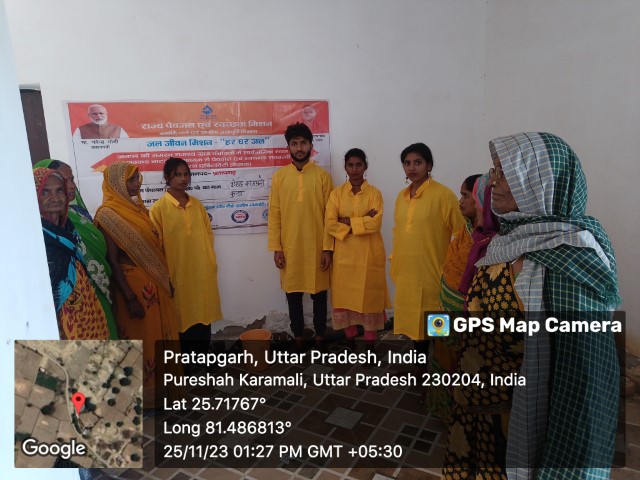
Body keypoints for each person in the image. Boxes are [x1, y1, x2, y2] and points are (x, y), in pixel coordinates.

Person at [443, 133, 620, 480]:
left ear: (540, 183)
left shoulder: (570, 262)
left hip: (517, 419)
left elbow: (583, 382)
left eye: (505, 172)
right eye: (494, 171)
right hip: (477, 404)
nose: (494, 182)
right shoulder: (509, 239)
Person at [94, 162, 180, 405]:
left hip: (154, 286)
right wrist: (130, 298)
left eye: (137, 179)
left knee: (159, 339)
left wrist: (165, 280)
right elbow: (112, 259)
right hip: (133, 291)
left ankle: (162, 394)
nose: (136, 184)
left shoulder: (138, 209)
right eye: (131, 180)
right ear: (116, 184)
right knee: (144, 342)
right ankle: (142, 399)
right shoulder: (107, 215)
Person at [390, 143, 465, 344]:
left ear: (429, 165)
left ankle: (439, 361)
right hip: (406, 274)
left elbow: (462, 233)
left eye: (418, 162)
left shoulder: (443, 195)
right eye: (407, 163)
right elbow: (398, 232)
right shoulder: (401, 197)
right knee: (413, 326)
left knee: (436, 325)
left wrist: (454, 268)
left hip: (433, 273)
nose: (412, 168)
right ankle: (420, 362)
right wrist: (394, 261)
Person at [34, 159, 118, 339]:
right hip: (58, 325)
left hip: (87, 313)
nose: (55, 198)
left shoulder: (69, 227)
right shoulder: (32, 238)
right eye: (45, 192)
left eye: (59, 190)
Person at [268, 122, 333, 346]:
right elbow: (274, 215)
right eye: (294, 143)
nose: (299, 148)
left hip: (317, 246)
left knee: (319, 293)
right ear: (288, 147)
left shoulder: (323, 176)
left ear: (311, 146)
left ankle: (321, 335)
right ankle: (298, 336)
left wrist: (327, 249)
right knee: (293, 293)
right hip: (290, 247)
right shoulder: (280, 177)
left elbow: (330, 216)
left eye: (303, 143)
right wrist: (277, 248)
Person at [150, 157, 223, 356]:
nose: (183, 179)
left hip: (202, 274)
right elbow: (156, 246)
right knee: (181, 319)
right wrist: (165, 277)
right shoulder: (159, 209)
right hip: (177, 275)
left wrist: (210, 265)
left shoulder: (196, 205)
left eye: (186, 174)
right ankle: (185, 361)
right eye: (177, 175)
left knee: (203, 315)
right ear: (167, 178)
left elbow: (208, 237)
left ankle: (202, 356)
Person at [426, 173, 482, 419]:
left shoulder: (486, 241)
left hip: (463, 313)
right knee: (440, 356)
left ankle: (456, 416)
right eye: (460, 195)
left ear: (481, 200)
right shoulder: (465, 232)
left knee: (457, 362)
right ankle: (438, 405)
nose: (460, 201)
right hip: (444, 306)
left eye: (466, 196)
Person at [324, 148, 390, 349]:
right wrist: (362, 220)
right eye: (350, 165)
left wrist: (346, 221)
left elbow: (375, 223)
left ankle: (370, 345)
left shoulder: (375, 193)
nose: (354, 169)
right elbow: (330, 224)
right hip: (343, 257)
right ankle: (350, 340)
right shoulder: (336, 194)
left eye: (358, 165)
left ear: (365, 166)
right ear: (345, 168)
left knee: (369, 301)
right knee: (345, 300)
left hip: (369, 255)